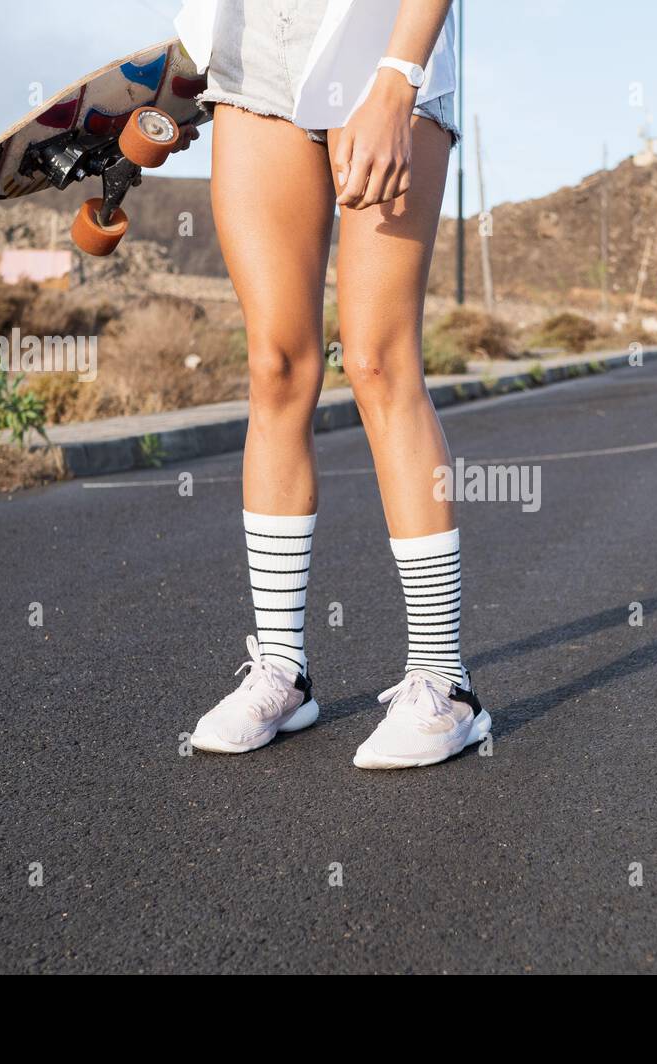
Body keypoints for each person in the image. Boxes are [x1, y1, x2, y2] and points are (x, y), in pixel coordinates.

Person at [179, 0, 490, 768]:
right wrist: (179, 70)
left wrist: (398, 78)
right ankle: (283, 672)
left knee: (380, 358)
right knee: (276, 364)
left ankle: (445, 686)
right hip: (254, 57)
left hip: (382, 40)